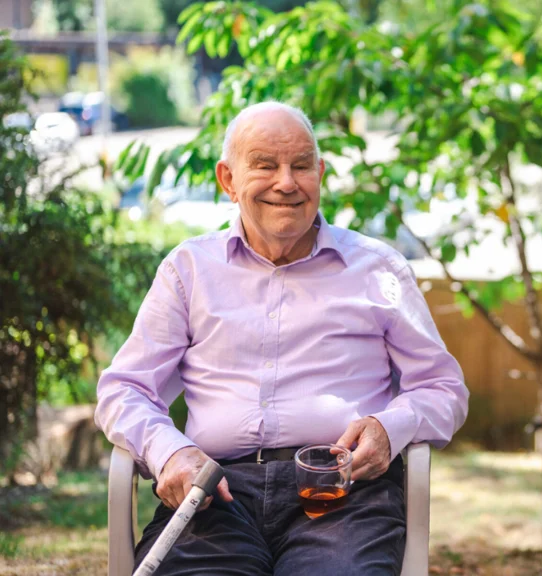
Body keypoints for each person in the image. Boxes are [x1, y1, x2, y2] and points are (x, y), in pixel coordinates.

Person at [95, 101, 469, 575]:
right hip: (214, 491)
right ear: (228, 180)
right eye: (265, 165)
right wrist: (171, 452)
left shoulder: (379, 268)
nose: (287, 182)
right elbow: (124, 388)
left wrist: (388, 428)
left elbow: (444, 389)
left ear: (321, 174)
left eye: (301, 165)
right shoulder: (189, 269)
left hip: (341, 493)